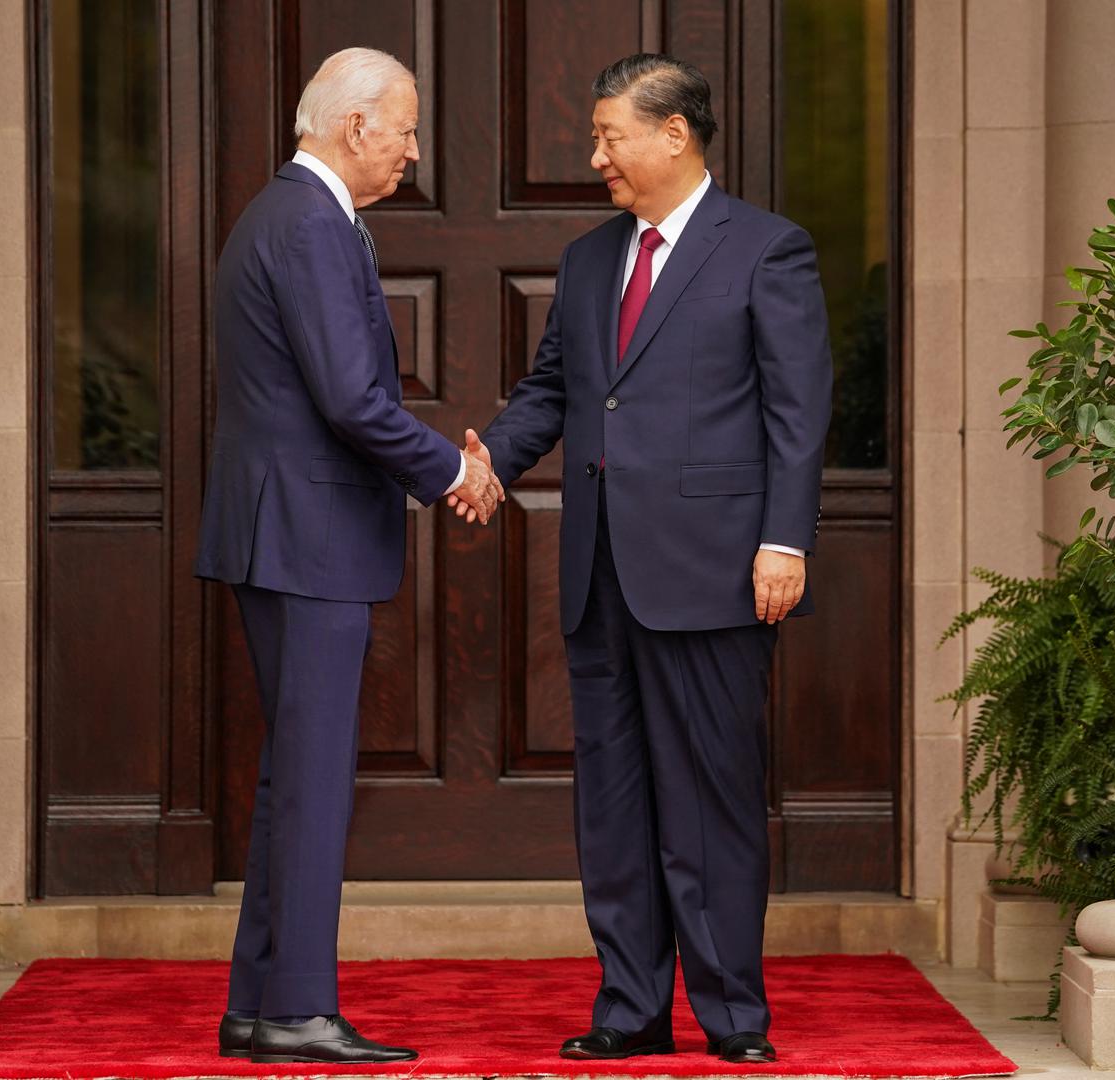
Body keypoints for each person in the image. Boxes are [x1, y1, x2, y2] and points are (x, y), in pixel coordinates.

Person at [458, 52, 832, 1065]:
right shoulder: (586, 262)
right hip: (599, 576)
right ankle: (628, 1008)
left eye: (608, 137)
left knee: (709, 805)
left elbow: (797, 415)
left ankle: (731, 1020)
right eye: (594, 138)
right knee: (614, 804)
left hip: (716, 572)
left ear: (674, 135)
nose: (595, 158)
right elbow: (555, 389)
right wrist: (485, 461)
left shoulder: (767, 251)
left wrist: (782, 538)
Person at [195, 46, 501, 1066]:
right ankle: (299, 1011)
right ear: (354, 125)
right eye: (407, 128)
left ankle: (258, 1003)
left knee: (295, 777)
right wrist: (449, 472)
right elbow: (350, 399)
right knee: (314, 779)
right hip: (306, 537)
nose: (415, 149)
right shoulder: (312, 224)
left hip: (281, 532)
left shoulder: (279, 215)